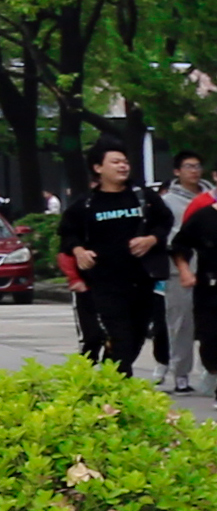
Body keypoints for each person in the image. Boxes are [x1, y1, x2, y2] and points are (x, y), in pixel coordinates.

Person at [59, 144, 174, 377]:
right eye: (115, 162)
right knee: (119, 337)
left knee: (136, 336)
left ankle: (109, 378)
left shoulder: (143, 197)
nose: (123, 166)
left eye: (125, 162)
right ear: (98, 167)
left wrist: (151, 239)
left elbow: (165, 221)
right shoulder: (87, 204)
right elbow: (67, 234)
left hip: (142, 279)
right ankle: (117, 391)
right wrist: (79, 251)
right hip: (105, 284)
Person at [170, 164, 217, 408]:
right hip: (210, 290)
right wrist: (184, 271)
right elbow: (179, 246)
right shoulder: (204, 217)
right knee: (213, 344)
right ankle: (215, 375)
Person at [160, 150, 208, 392]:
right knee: (181, 325)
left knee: (214, 324)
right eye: (189, 166)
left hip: (212, 269)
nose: (194, 171)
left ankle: (213, 372)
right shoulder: (168, 202)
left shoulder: (213, 196)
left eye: (198, 165)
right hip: (180, 271)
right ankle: (181, 374)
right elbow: (169, 238)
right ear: (177, 171)